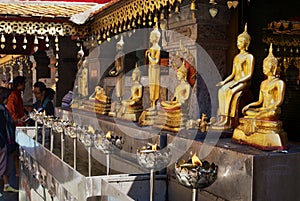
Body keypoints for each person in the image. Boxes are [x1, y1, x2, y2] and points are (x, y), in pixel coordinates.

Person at [214, 24, 254, 127]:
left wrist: (238, 82)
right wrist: (224, 82)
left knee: (230, 92)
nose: (238, 43)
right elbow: (233, 74)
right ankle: (222, 117)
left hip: (244, 82)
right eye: (237, 41)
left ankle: (228, 119)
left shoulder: (249, 57)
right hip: (235, 80)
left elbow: (249, 74)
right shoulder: (236, 57)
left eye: (240, 41)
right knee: (221, 90)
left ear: (246, 43)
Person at [242, 44, 285, 120]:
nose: (264, 68)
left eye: (266, 66)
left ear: (273, 68)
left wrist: (268, 109)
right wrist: (248, 105)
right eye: (263, 66)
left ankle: (258, 117)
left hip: (272, 109)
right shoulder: (263, 83)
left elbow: (279, 101)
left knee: (273, 113)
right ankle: (258, 116)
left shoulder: (279, 83)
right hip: (262, 109)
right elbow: (259, 101)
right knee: (247, 111)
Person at [0, 87, 19, 194]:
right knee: (2, 165)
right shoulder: (1, 110)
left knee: (6, 164)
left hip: (6, 141)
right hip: (3, 141)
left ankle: (6, 185)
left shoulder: (3, 109)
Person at [146, 25, 161, 109]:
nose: (149, 38)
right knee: (151, 84)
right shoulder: (152, 48)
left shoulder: (157, 48)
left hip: (155, 69)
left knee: (154, 85)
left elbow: (155, 61)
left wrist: (149, 56)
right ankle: (151, 102)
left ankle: (154, 102)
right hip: (151, 68)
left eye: (151, 36)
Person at [109, 35, 125, 102]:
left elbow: (122, 65)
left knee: (120, 86)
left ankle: (120, 98)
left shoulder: (122, 54)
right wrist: (112, 70)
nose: (117, 48)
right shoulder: (117, 55)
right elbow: (115, 65)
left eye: (118, 46)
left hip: (121, 73)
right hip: (117, 72)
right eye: (116, 46)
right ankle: (118, 98)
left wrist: (118, 72)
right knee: (117, 87)